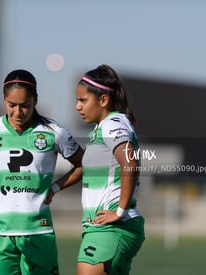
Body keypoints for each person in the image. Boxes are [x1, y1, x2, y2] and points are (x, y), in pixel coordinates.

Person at [0, 69, 84, 275]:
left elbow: (84, 165)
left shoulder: (53, 133)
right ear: (4, 100)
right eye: (11, 105)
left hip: (38, 232)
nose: (18, 112)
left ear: (35, 100)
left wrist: (56, 187)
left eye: (25, 105)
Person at [75, 64, 145, 275]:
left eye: (83, 100)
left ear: (103, 100)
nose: (78, 106)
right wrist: (55, 188)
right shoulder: (101, 128)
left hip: (112, 228)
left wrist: (119, 211)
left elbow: (129, 163)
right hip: (102, 229)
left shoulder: (112, 123)